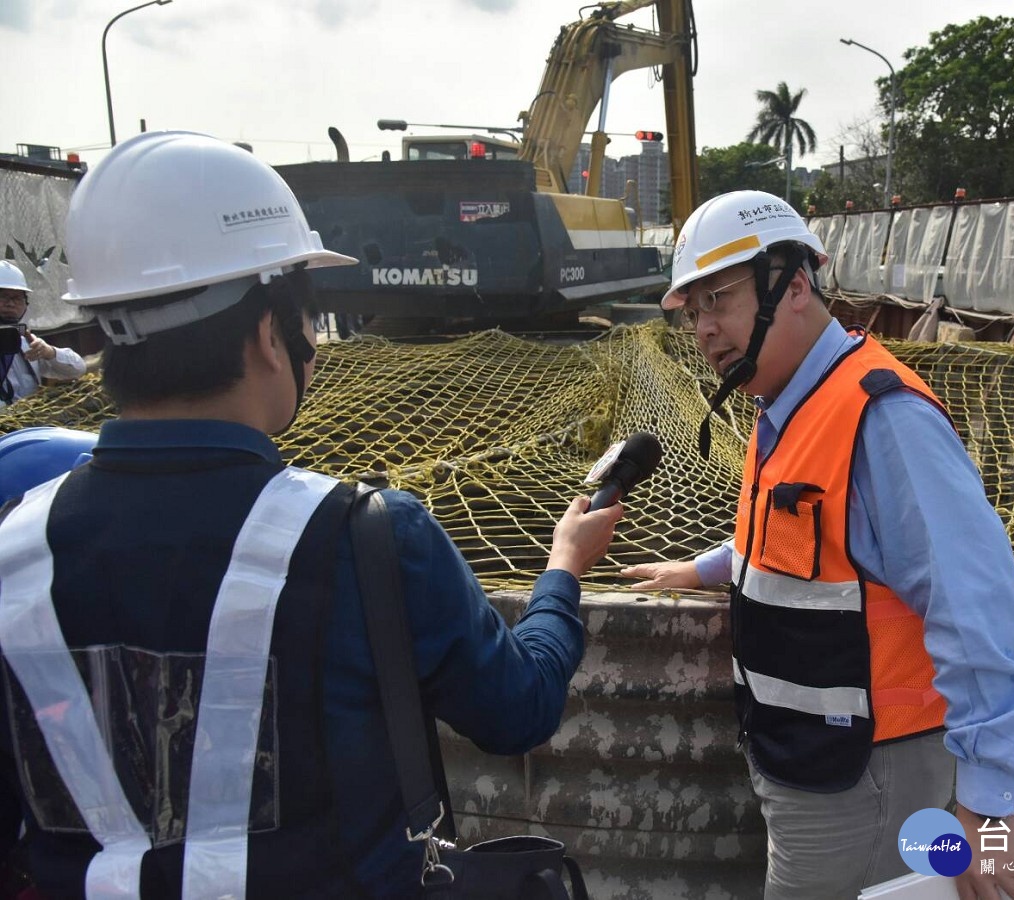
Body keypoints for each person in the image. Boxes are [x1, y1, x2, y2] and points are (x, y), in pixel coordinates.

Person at [0, 131, 622, 899]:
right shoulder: (367, 537)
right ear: (269, 335)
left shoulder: (14, 547)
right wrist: (563, 568)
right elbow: (518, 708)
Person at [621, 190, 1014, 899]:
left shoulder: (884, 419)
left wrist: (987, 806)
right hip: (806, 762)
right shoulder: (786, 402)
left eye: (717, 300)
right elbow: (801, 545)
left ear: (793, 286)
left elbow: (981, 611)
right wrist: (702, 568)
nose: (702, 327)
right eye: (692, 310)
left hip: (865, 778)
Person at [0, 261, 87, 409]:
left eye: (17, 298)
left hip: (29, 427)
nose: (11, 304)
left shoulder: (27, 343)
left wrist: (49, 352)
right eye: (3, 297)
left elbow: (77, 369)